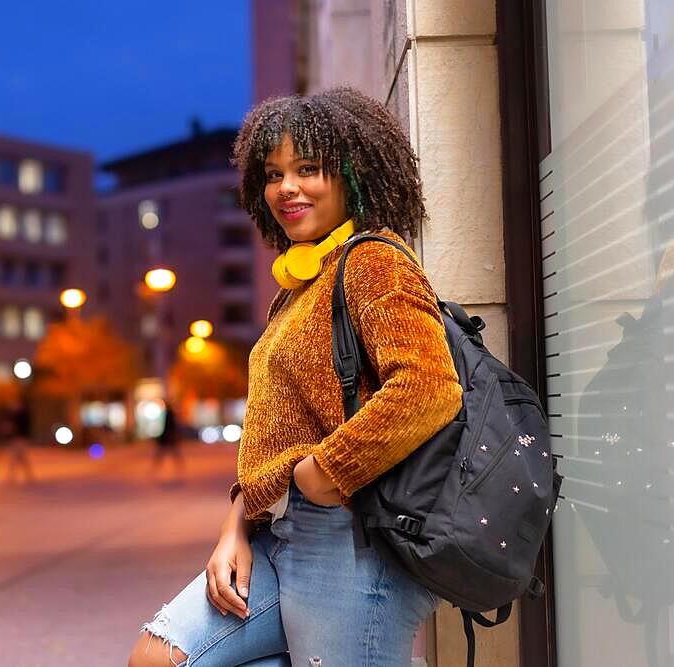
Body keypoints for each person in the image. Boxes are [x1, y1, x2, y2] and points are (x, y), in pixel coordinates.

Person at [128, 87, 463, 666]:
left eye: (308, 168)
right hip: (276, 538)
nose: (287, 187)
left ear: (352, 173)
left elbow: (430, 386)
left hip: (350, 541)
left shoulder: (371, 260)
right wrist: (236, 523)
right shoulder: (297, 289)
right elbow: (275, 434)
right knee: (159, 657)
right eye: (274, 172)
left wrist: (325, 471)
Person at [151, 402, 185, 482]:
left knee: (164, 452)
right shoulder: (170, 414)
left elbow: (168, 426)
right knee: (170, 452)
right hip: (168, 436)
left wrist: (167, 435)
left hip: (167, 437)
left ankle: (157, 466)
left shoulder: (168, 414)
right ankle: (179, 465)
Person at [4, 397, 34, 484]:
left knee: (18, 458)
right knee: (19, 458)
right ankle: (24, 476)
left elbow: (20, 428)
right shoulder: (15, 415)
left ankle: (15, 477)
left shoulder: (22, 415)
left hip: (20, 439)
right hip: (17, 439)